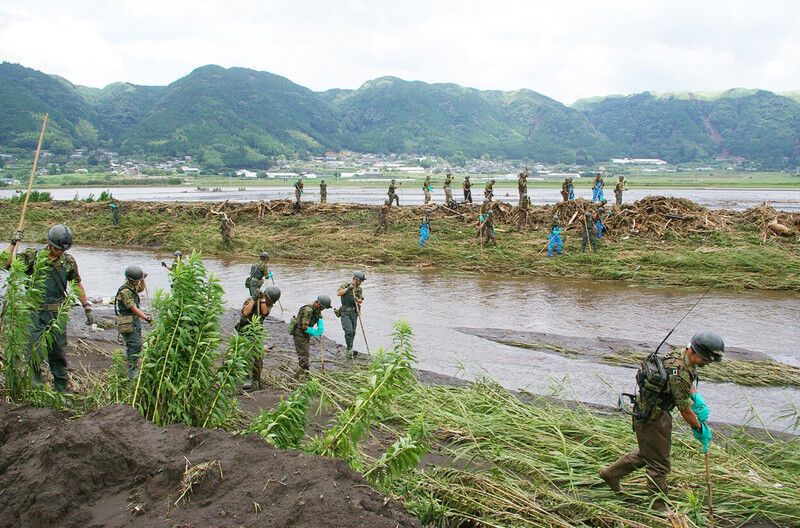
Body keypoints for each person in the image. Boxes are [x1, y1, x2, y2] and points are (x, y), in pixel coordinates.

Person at [599, 332, 722, 510]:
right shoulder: (678, 371)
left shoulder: (680, 354)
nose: (707, 364)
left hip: (647, 410)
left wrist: (696, 397)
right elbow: (685, 410)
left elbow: (687, 378)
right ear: (696, 353)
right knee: (659, 464)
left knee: (648, 453)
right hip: (655, 417)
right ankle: (658, 507)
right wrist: (699, 428)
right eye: (706, 360)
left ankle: (610, 474)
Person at [5, 224, 93, 392]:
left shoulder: (68, 261)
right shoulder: (34, 257)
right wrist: (13, 242)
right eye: (58, 248)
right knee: (33, 349)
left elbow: (76, 283)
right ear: (49, 243)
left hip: (57, 314)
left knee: (58, 352)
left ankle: (60, 389)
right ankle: (35, 386)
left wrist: (86, 305)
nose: (60, 251)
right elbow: (6, 264)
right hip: (35, 312)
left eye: (63, 249)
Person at [236, 285, 281, 390]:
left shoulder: (267, 304)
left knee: (258, 356)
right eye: (269, 299)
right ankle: (247, 377)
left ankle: (256, 379)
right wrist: (254, 299)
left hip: (256, 331)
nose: (270, 302)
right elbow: (246, 312)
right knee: (245, 354)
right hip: (244, 329)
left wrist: (263, 300)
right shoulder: (249, 300)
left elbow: (264, 312)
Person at [115, 265, 152, 378]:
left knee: (135, 345)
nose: (138, 283)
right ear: (131, 280)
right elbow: (133, 308)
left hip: (134, 321)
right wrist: (146, 317)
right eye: (137, 280)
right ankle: (132, 371)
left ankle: (133, 367)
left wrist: (143, 280)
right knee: (135, 345)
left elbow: (141, 289)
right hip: (127, 322)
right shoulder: (125, 291)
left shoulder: (133, 286)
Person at [291, 295, 331, 375]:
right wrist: (315, 332)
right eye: (322, 307)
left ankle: (303, 371)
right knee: (304, 354)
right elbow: (304, 326)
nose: (322, 309)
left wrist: (320, 324)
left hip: (306, 333)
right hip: (300, 333)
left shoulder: (317, 310)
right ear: (318, 304)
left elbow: (318, 317)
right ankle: (303, 373)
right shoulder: (308, 310)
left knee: (305, 352)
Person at [336, 272, 365, 357]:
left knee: (353, 331)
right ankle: (349, 349)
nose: (360, 283)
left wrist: (357, 299)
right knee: (348, 331)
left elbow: (361, 300)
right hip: (345, 311)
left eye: (361, 282)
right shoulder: (345, 285)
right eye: (359, 281)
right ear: (355, 279)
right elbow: (338, 293)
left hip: (354, 312)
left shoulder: (359, 289)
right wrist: (348, 289)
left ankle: (350, 348)